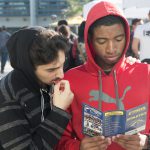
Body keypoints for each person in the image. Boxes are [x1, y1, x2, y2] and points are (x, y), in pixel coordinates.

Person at [55, 1, 150, 150]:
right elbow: (56, 138)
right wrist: (78, 147)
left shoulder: (146, 73)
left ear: (127, 37)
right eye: (102, 41)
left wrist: (147, 142)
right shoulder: (70, 80)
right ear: (90, 41)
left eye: (118, 39)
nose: (111, 49)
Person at [0, 26, 74, 149]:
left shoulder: (44, 83)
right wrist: (59, 112)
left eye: (62, 65)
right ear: (27, 66)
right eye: (51, 69)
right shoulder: (7, 98)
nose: (61, 75)